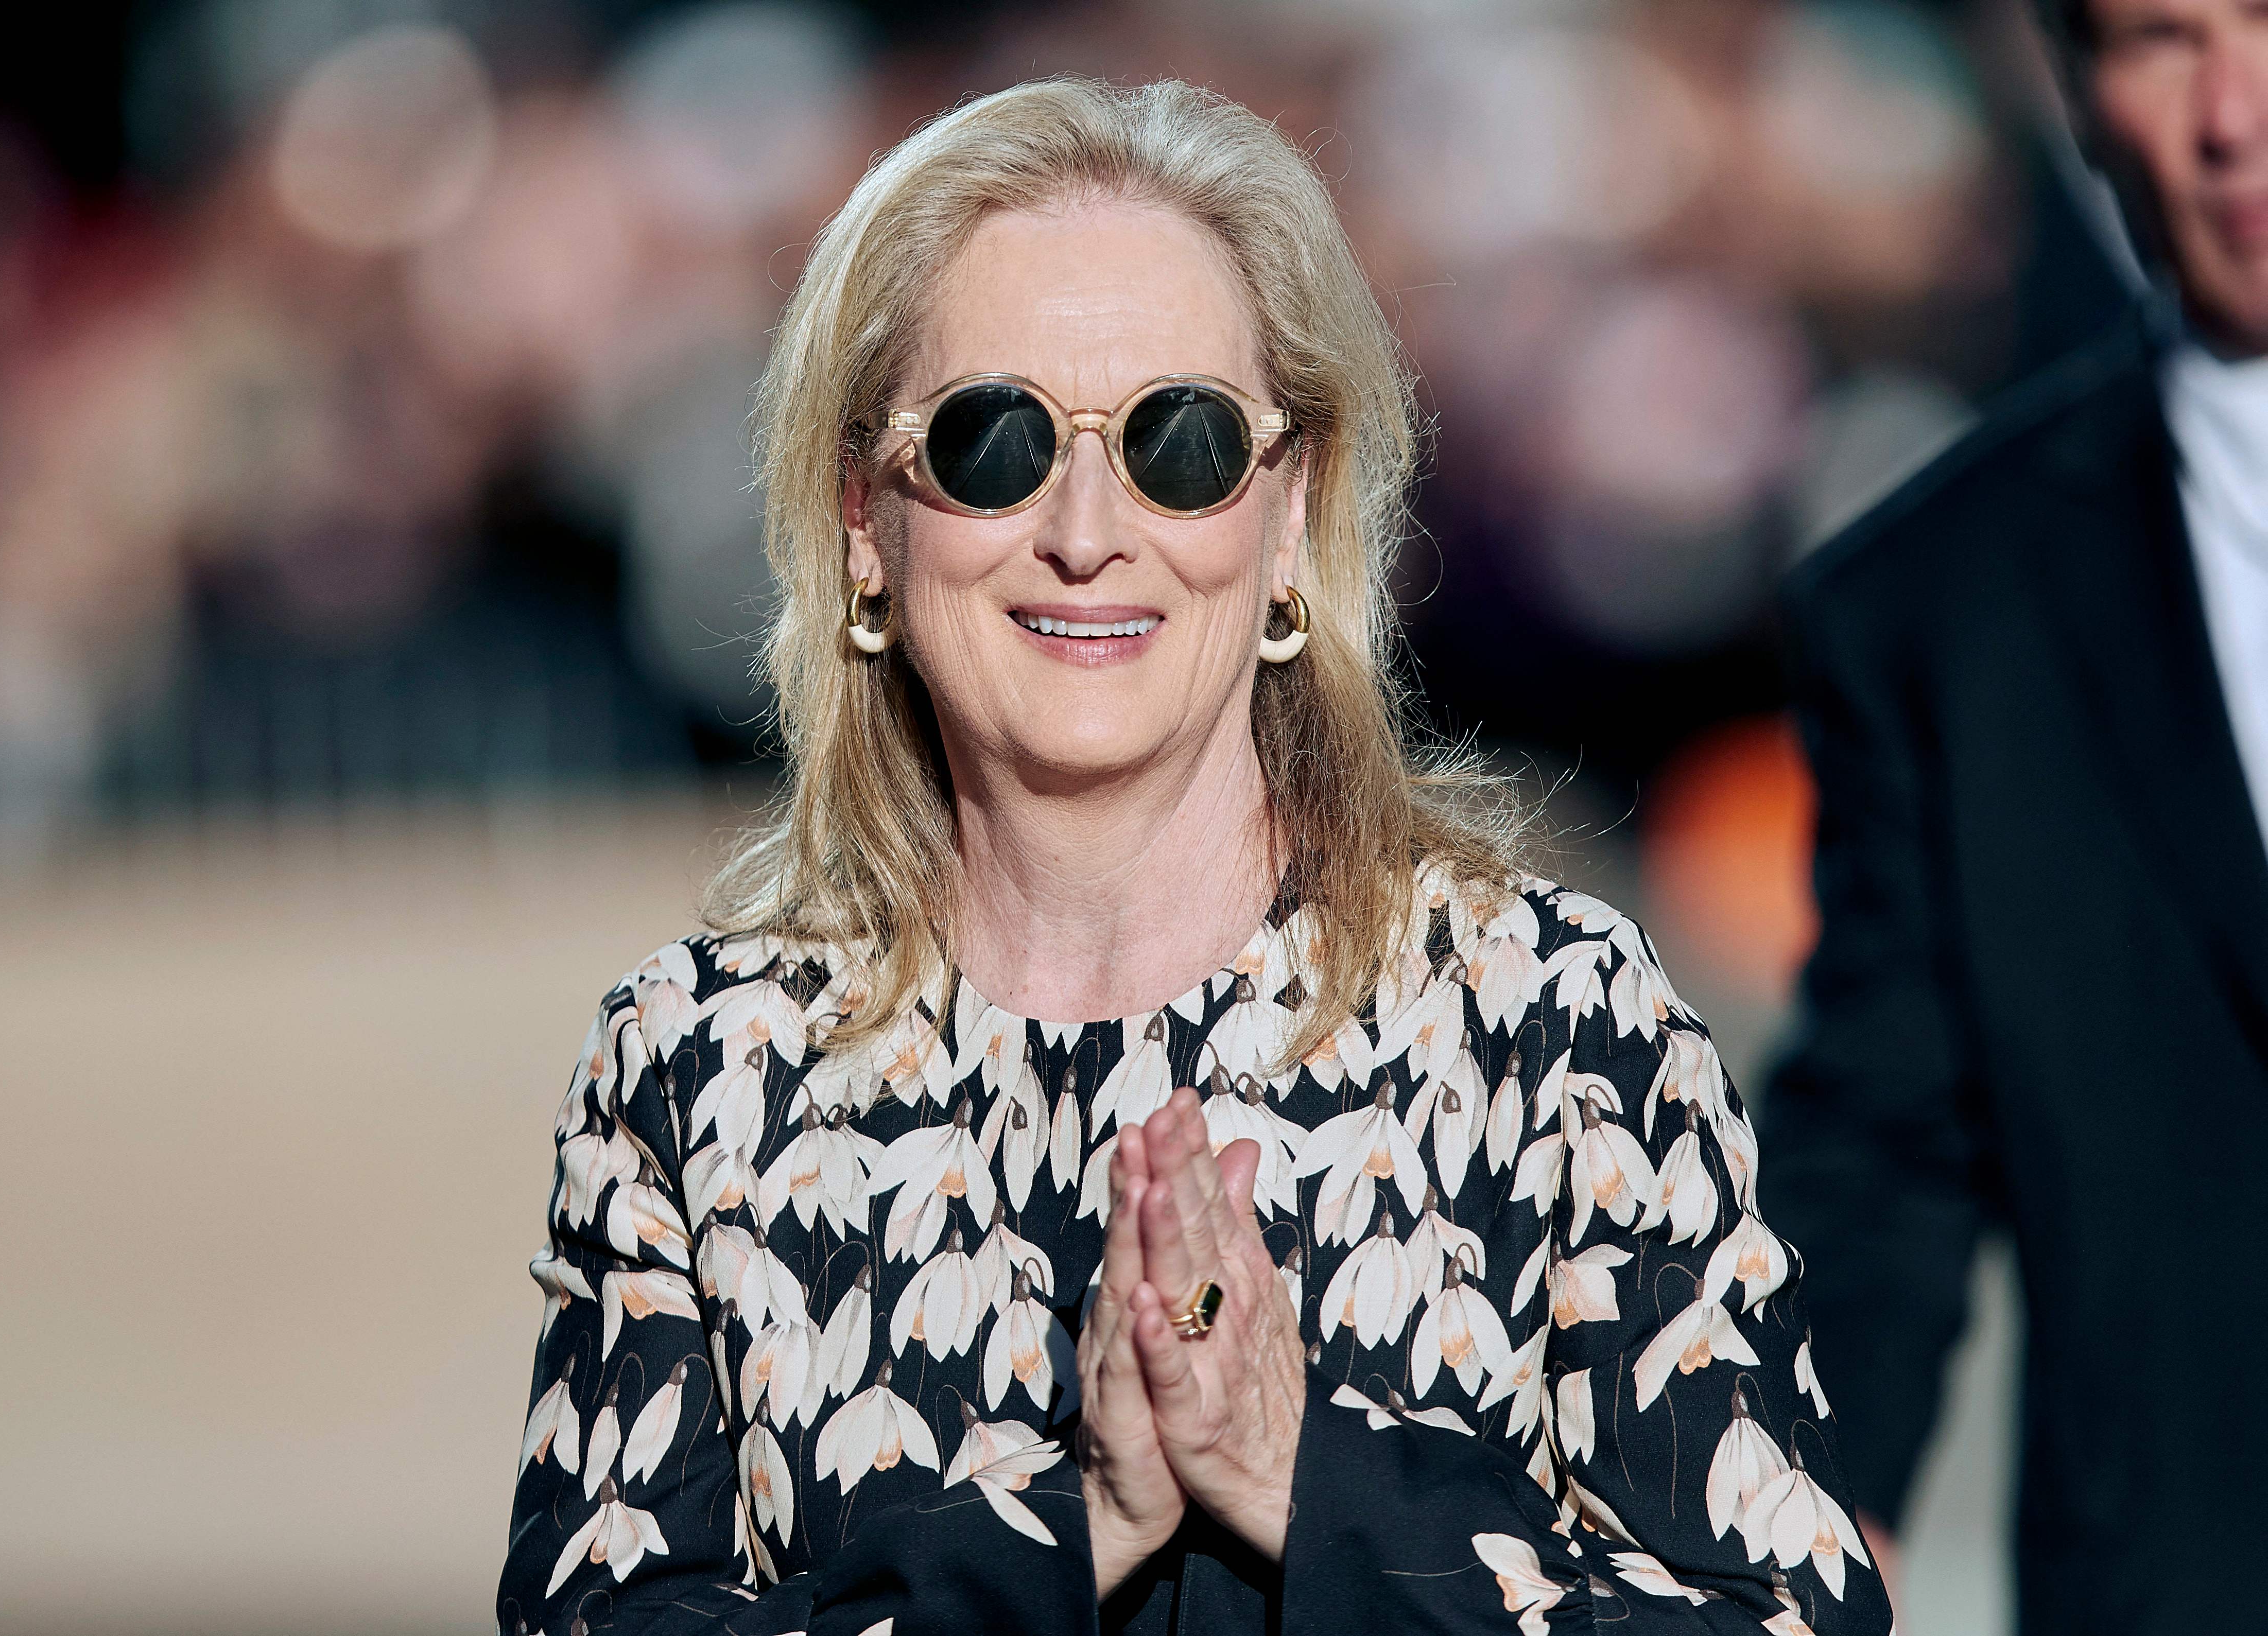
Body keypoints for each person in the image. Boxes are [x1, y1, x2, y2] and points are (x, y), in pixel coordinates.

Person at [499, 78, 1886, 1636]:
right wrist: (1070, 1533)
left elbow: (1791, 1620)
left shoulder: (1551, 1026)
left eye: (1183, 441)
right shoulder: (697, 1071)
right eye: (994, 440)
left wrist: (1308, 1486)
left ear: (1290, 514)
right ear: (864, 520)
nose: (1088, 529)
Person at [1761, 1, 2268, 1630]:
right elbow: (1881, 1148)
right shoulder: (1938, 609)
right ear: (2075, 90)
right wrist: (1808, 1528)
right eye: (2159, 37)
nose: (2232, 112)